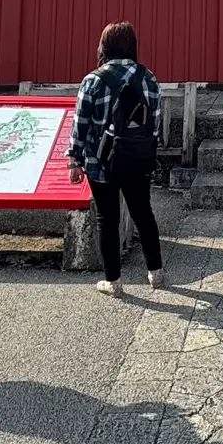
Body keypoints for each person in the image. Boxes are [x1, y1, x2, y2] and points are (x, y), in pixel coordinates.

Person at [68, 21, 165, 296]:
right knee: (143, 214)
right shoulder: (148, 78)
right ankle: (155, 273)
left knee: (106, 219)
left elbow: (81, 124)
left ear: (105, 47)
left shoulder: (94, 80)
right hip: (137, 160)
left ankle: (114, 282)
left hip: (102, 163)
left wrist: (74, 161)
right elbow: (155, 124)